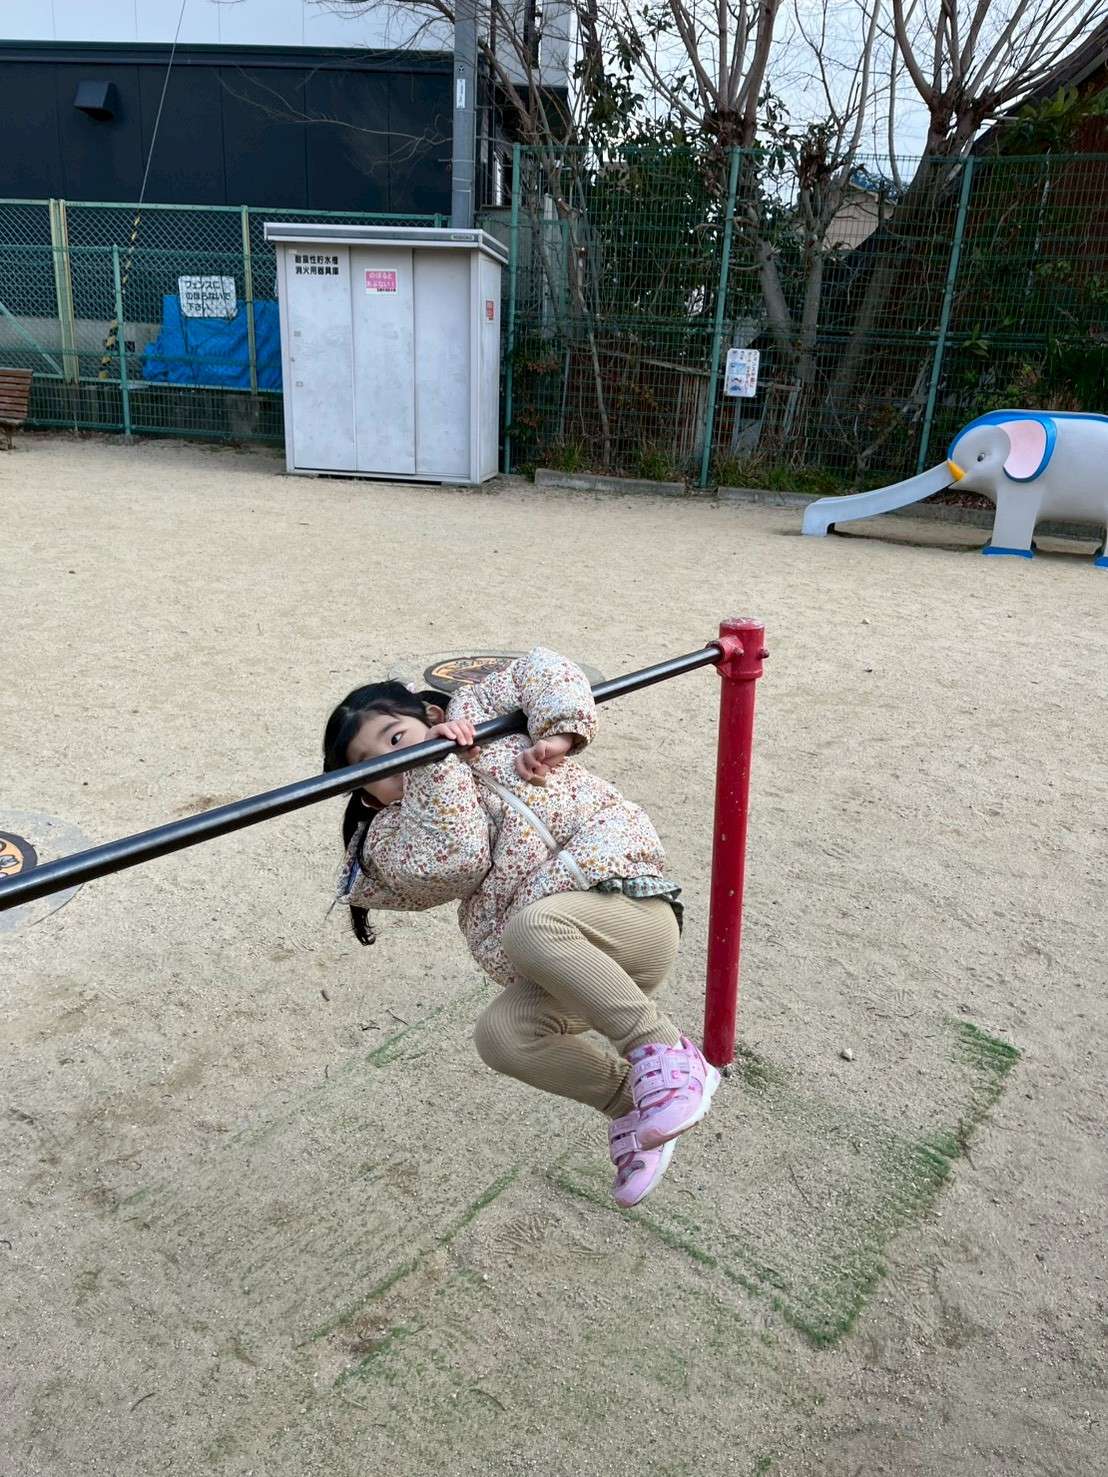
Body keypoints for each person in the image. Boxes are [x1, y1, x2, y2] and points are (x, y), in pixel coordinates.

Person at [323, 647, 720, 1207]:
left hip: (624, 910)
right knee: (502, 1036)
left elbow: (544, 666)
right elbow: (456, 860)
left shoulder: (479, 712)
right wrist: (437, 764)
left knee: (534, 927)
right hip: (570, 972)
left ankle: (667, 1054)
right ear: (367, 793)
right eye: (374, 769)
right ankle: (638, 1109)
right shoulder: (394, 835)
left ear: (432, 717)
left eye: (396, 739)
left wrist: (560, 735)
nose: (394, 764)